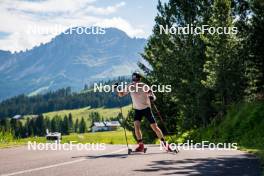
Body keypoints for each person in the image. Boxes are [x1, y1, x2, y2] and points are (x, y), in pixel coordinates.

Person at [115, 72, 172, 152]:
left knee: (154, 127)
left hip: (146, 109)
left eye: (137, 80)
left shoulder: (144, 86)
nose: (135, 82)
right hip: (137, 110)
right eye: (134, 80)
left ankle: (165, 144)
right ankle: (141, 146)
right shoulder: (130, 86)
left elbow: (152, 95)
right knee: (136, 126)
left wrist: (152, 97)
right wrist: (117, 89)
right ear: (133, 79)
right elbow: (121, 95)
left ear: (139, 79)